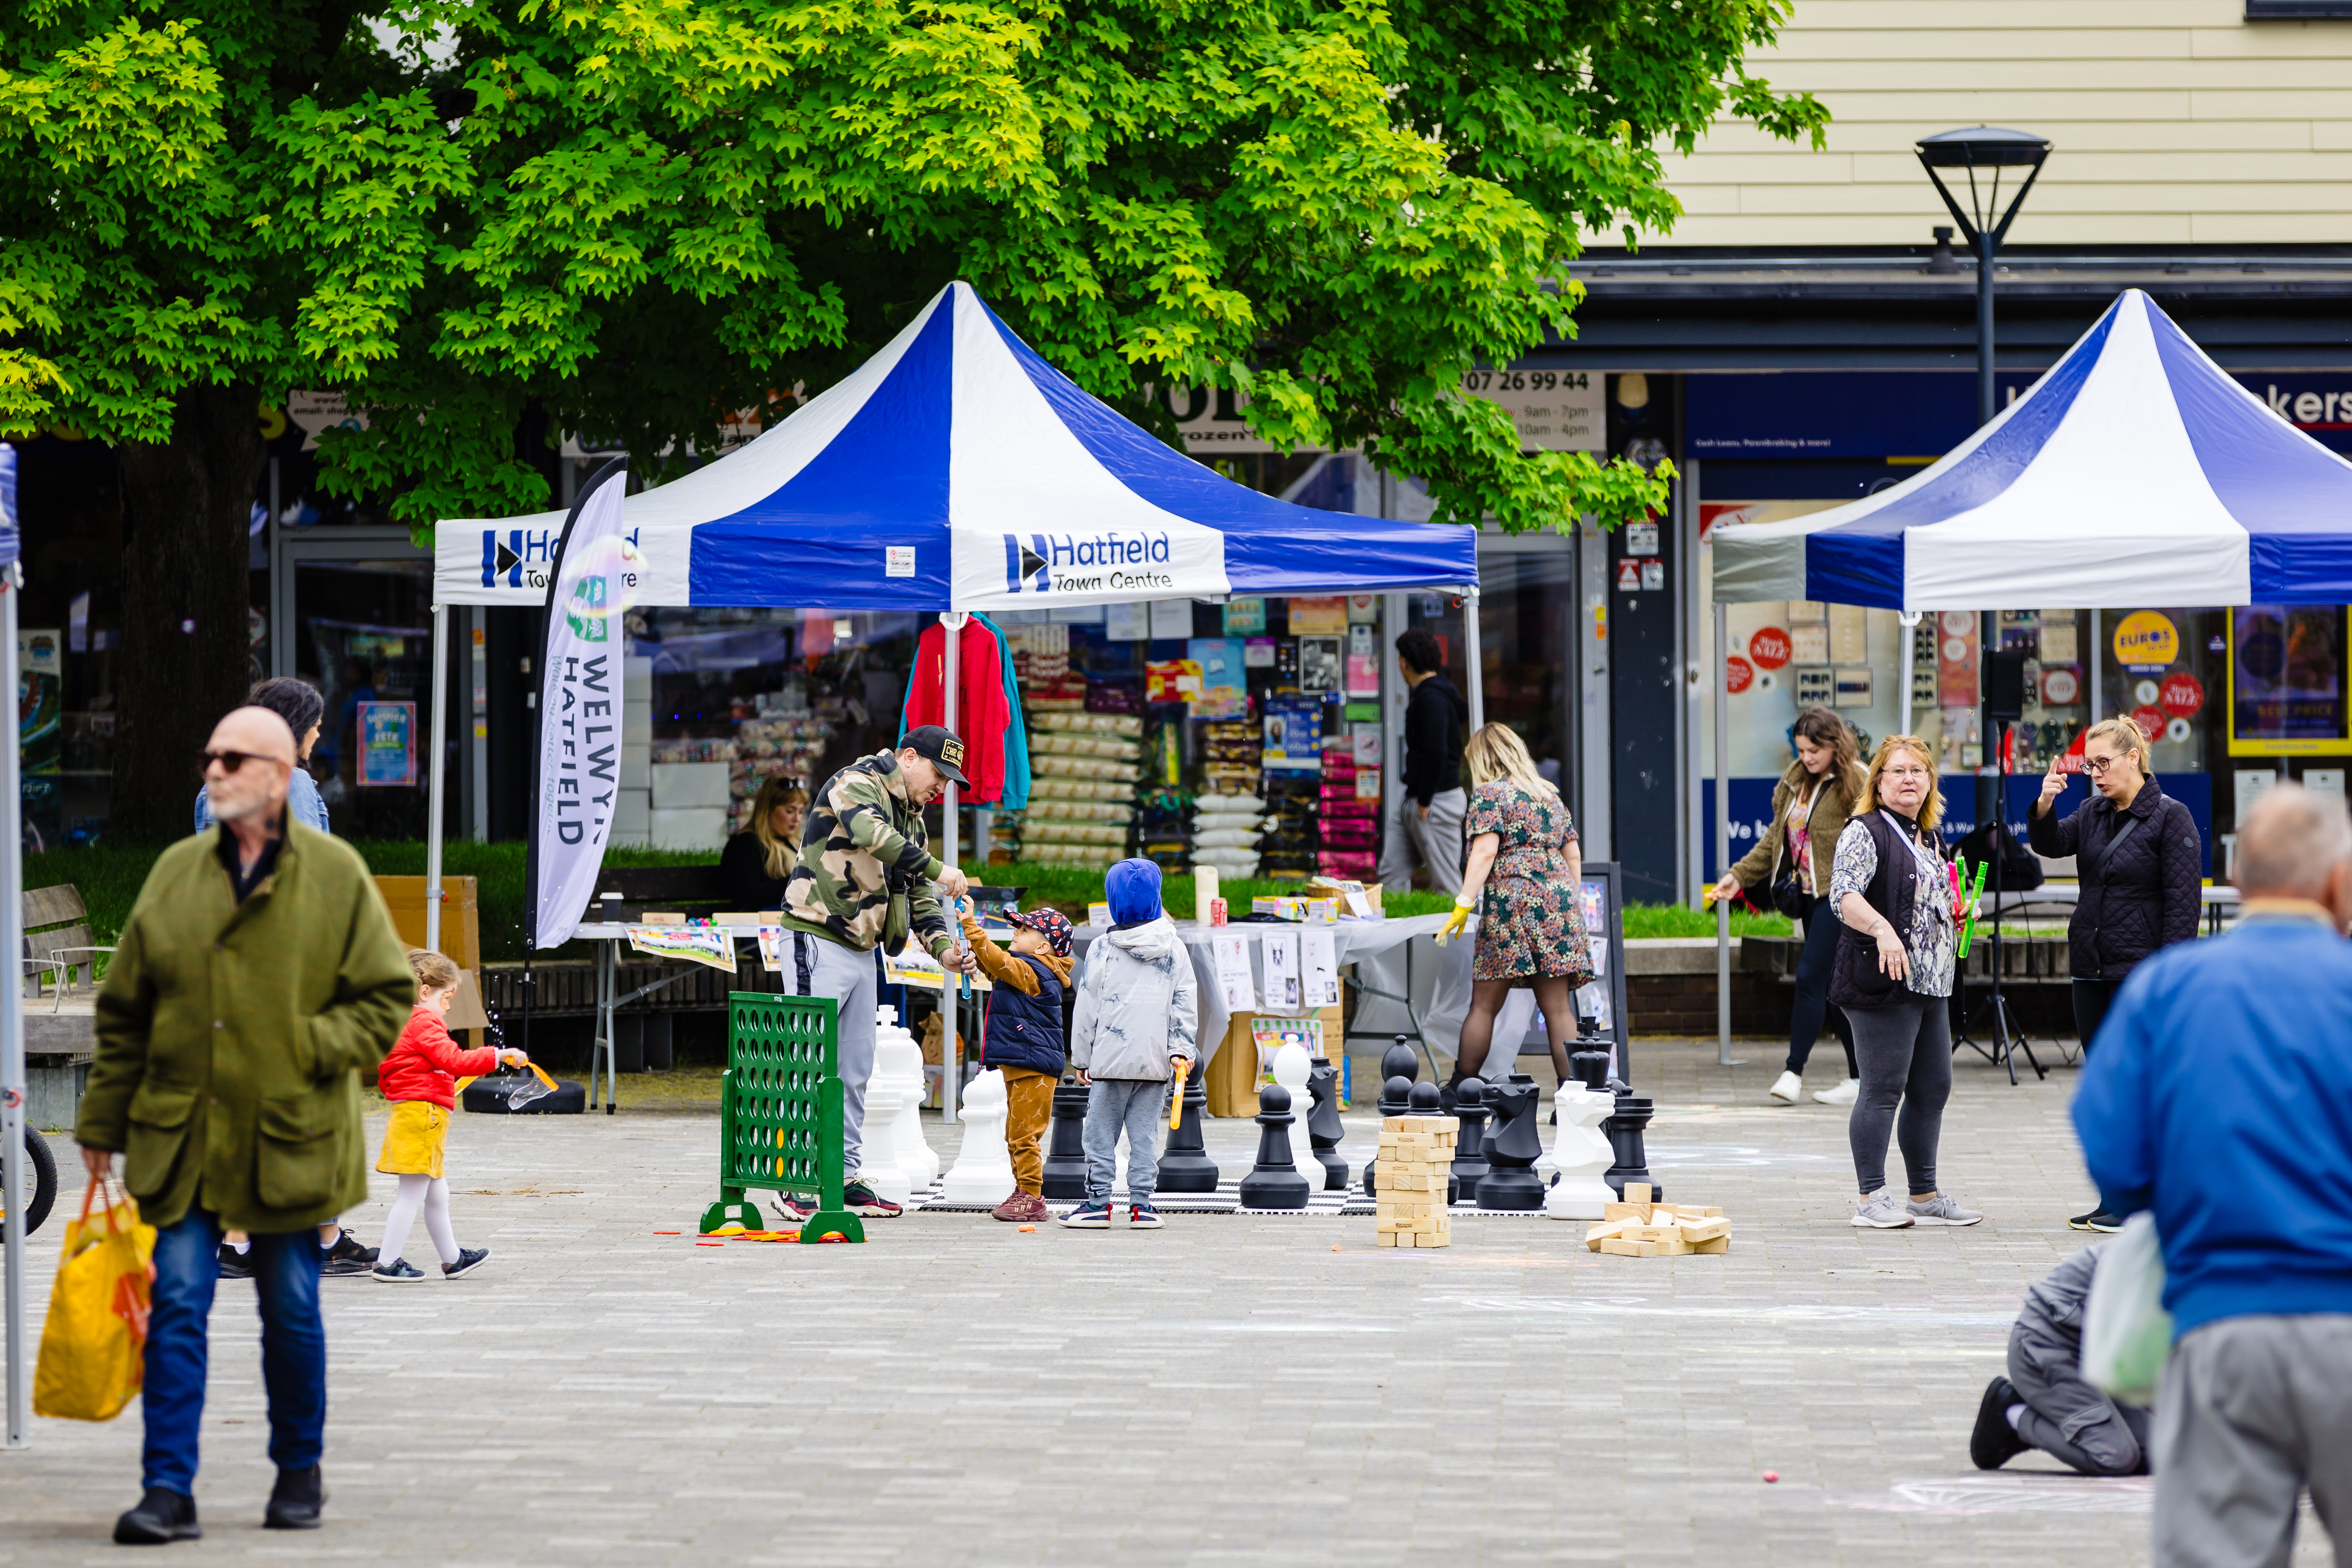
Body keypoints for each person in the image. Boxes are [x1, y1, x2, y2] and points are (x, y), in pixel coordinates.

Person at [76, 706, 414, 1543]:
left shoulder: (333, 874)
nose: (214, 771)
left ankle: (299, 1470)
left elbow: (385, 997)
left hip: (291, 1135)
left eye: (231, 758)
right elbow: (125, 1007)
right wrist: (102, 1118)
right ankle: (167, 1488)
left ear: (278, 774)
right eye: (208, 757)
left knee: (291, 1308)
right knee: (180, 1304)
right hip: (181, 1134)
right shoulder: (176, 874)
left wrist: (308, 1043)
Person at [2074, 782, 2352, 1567]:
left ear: (2235, 876)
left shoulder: (2168, 990)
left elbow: (2115, 1163)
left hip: (2222, 1327)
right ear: (2340, 880)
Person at [194, 676, 370, 1281]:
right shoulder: (289, 783)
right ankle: (280, 1241)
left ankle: (283, 1237)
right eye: (315, 723)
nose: (321, 733)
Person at [771, 725, 976, 1222]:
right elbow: (872, 836)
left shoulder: (914, 816)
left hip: (864, 949)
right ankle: (791, 1180)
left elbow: (921, 895)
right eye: (938, 773)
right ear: (908, 757)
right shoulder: (857, 780)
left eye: (950, 781)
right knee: (807, 1059)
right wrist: (938, 867)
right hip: (815, 935)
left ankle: (841, 1176)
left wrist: (945, 950)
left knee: (854, 1070)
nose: (942, 787)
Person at [2027, 714, 2203, 1233]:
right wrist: (2042, 804)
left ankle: (2146, 1201)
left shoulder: (2172, 818)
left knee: (2140, 1086)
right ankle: (2113, 1199)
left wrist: (2168, 981)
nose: (2096, 774)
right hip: (2091, 965)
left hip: (2140, 972)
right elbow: (2051, 843)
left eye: (2103, 763)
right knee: (2104, 1085)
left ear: (2134, 758)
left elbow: (2182, 907)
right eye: (2089, 766)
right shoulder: (2091, 811)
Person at [1827, 735, 1981, 1230]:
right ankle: (1870, 1197)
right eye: (1897, 771)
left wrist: (1958, 911)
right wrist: (1881, 928)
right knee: (1881, 1088)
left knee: (1932, 1086)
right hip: (1881, 980)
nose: (1908, 778)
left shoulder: (1929, 836)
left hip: (1932, 982)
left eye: (1918, 770)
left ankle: (1924, 1194)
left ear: (1930, 782)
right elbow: (1843, 895)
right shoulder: (1864, 830)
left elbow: (1933, 897)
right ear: (1878, 780)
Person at [1711, 707, 1867, 1108]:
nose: (1807, 758)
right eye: (1800, 750)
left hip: (1843, 897)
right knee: (1835, 990)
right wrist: (1739, 876)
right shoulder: (1795, 781)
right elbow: (1774, 841)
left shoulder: (1858, 782)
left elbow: (1877, 839)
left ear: (1835, 744)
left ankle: (1793, 1072)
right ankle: (1860, 1078)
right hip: (1809, 898)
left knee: (1811, 976)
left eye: (1814, 750)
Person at [1440, 722, 1594, 1089]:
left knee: (1484, 1005)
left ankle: (1462, 1087)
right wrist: (1562, 902)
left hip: (1511, 907)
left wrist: (1464, 902)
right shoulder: (1550, 796)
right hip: (1558, 904)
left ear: (1484, 760)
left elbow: (1485, 851)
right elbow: (1572, 855)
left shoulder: (1490, 795)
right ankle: (1575, 1096)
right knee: (1558, 1008)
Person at [369, 949, 528, 1283]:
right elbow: (452, 1059)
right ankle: (387, 1262)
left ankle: (453, 1258)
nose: (449, 1005)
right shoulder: (424, 1021)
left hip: (416, 1114)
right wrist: (499, 1054)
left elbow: (398, 1071)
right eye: (447, 996)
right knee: (412, 1194)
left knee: (437, 1193)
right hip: (422, 1116)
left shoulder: (403, 1022)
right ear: (425, 991)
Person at [1061, 858, 1198, 1230]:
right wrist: (1181, 1050)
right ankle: (1143, 1206)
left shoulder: (1104, 947)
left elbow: (1087, 1004)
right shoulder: (1174, 946)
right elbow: (1184, 1000)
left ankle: (1097, 1203)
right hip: (1156, 1061)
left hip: (1110, 1059)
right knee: (1144, 1136)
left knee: (1100, 1135)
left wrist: (1082, 1057)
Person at [1971, 1244, 2151, 1477]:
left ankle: (2053, 1411)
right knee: (2116, 1458)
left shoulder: (2187, 1252)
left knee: (2158, 1454)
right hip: (2044, 1349)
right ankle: (2012, 1414)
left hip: (2092, 1355)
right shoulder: (2153, 1259)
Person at [956, 903, 1075, 1224]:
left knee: (1025, 1135)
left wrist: (971, 925)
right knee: (1015, 1134)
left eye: (1024, 930)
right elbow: (993, 966)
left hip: (1034, 1065)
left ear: (1042, 946)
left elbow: (999, 962)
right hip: (1022, 1062)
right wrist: (974, 956)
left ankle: (1033, 1197)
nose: (1015, 932)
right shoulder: (1026, 966)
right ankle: (1023, 1190)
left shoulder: (1036, 971)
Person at [1378, 628, 1469, 896]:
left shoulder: (1433, 698)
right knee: (1391, 873)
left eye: (1399, 659)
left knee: (1446, 884)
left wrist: (1426, 800)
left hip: (1434, 801)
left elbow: (1437, 751)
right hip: (1417, 799)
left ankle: (1456, 939)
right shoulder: (1436, 693)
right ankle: (1394, 936)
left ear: (1404, 662)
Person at [719, 776, 807, 910]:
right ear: (768, 809)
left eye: (801, 812)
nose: (797, 819)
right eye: (790, 811)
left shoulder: (794, 844)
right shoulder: (745, 844)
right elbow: (748, 897)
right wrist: (799, 881)